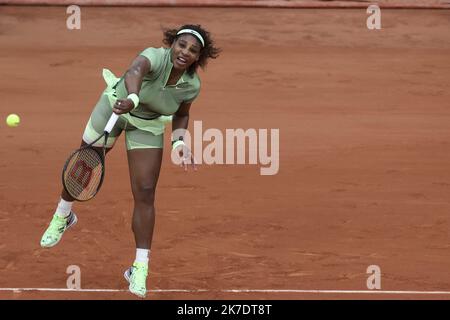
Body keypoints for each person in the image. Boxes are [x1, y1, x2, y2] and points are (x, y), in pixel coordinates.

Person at [39, 24, 220, 298]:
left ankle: (139, 267)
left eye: (193, 50)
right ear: (173, 43)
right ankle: (62, 215)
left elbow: (182, 113)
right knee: (86, 163)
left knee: (146, 191)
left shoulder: (191, 85)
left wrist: (179, 142)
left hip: (147, 125)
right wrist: (133, 98)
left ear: (199, 57)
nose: (185, 52)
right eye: (181, 45)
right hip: (116, 107)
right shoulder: (154, 56)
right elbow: (136, 71)